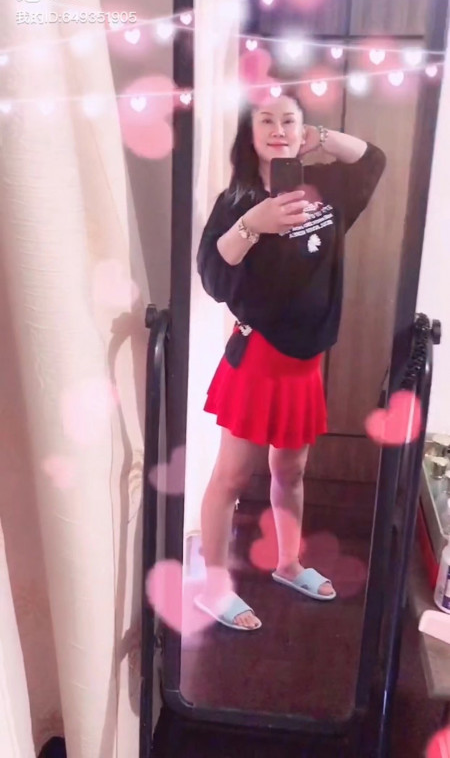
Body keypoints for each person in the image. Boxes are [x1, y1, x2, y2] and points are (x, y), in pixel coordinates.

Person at [194, 88, 386, 632]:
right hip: (258, 360)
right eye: (266, 120)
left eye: (289, 120)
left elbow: (373, 160)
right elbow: (213, 276)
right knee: (232, 477)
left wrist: (319, 137)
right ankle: (213, 588)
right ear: (249, 133)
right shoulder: (237, 201)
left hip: (305, 364)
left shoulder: (326, 191)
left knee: (291, 470)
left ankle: (288, 564)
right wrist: (253, 224)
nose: (278, 130)